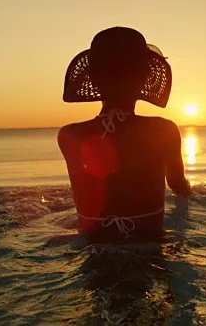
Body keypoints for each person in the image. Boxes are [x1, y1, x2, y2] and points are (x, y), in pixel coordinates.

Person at [58, 27, 192, 242]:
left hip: (92, 246)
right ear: (145, 77)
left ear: (93, 78)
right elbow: (179, 187)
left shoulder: (69, 135)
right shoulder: (163, 131)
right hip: (149, 244)